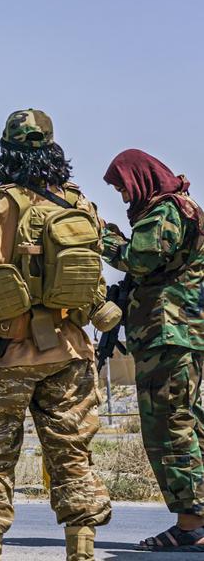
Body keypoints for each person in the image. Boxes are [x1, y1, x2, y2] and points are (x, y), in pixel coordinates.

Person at [0, 110, 115, 561]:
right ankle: (81, 551)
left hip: (5, 354)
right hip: (69, 352)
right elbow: (94, 279)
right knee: (72, 457)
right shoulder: (80, 205)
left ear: (6, 149)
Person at [101, 149, 204, 552]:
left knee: (169, 428)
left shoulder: (167, 211)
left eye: (124, 189)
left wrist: (101, 236)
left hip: (168, 333)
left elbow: (138, 258)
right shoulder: (186, 206)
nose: (126, 199)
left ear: (141, 177)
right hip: (180, 333)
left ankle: (191, 524)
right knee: (188, 422)